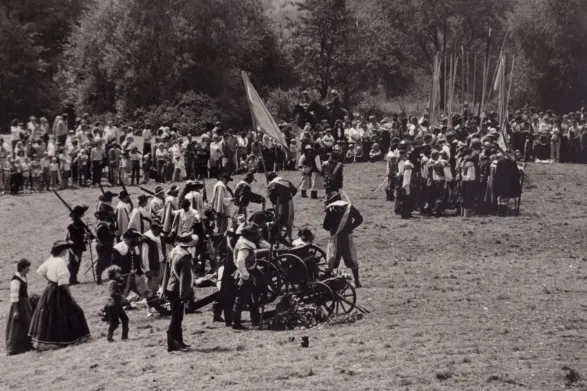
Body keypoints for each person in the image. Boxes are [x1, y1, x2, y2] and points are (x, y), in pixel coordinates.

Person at [29, 240, 91, 350]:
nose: (67, 251)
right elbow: (64, 281)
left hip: (50, 289)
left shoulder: (50, 260)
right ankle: (68, 339)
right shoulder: (60, 261)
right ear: (61, 251)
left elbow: (41, 271)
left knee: (49, 315)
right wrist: (69, 295)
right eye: (65, 250)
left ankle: (45, 341)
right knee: (71, 312)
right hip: (60, 291)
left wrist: (51, 281)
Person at [163, 232, 198, 351]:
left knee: (177, 316)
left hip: (170, 288)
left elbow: (166, 272)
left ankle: (179, 341)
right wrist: (185, 296)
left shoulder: (173, 251)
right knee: (177, 317)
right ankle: (172, 342)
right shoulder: (185, 257)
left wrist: (164, 289)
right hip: (178, 290)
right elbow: (185, 279)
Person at [232, 223, 270, 330]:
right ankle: (236, 323)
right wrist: (245, 275)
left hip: (251, 271)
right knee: (241, 298)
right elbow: (239, 261)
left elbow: (261, 242)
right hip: (245, 274)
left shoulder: (247, 241)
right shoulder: (244, 246)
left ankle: (255, 319)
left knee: (254, 296)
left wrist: (270, 247)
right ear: (250, 236)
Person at [322, 190, 363, 287]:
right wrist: (350, 227)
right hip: (347, 236)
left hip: (336, 237)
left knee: (332, 258)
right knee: (351, 258)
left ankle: (329, 282)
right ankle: (357, 281)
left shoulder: (331, 208)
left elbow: (326, 226)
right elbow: (359, 219)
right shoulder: (348, 206)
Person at [5, 259, 33, 355]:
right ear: (22, 268)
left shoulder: (23, 276)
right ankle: (15, 348)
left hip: (25, 303)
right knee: (17, 325)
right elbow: (14, 296)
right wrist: (16, 310)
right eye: (27, 267)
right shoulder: (15, 280)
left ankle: (27, 345)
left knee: (27, 322)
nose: (29, 269)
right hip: (19, 304)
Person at [267, 172, 297, 245]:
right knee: (289, 222)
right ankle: (290, 239)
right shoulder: (286, 180)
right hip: (290, 202)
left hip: (280, 203)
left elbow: (271, 197)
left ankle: (277, 242)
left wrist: (275, 203)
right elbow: (294, 191)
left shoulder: (272, 183)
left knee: (279, 222)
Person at [66, 205, 90, 285]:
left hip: (78, 245)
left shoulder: (79, 223)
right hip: (75, 246)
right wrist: (84, 236)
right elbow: (74, 237)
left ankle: (73, 279)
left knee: (76, 262)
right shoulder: (73, 225)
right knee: (73, 262)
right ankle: (71, 279)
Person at [104, 265, 129, 342]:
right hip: (113, 305)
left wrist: (123, 282)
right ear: (113, 274)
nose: (119, 274)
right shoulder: (113, 282)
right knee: (114, 324)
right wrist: (122, 298)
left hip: (116, 305)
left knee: (125, 319)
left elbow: (121, 289)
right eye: (117, 272)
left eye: (119, 272)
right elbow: (113, 293)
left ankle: (124, 337)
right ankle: (109, 338)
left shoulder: (112, 282)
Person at [95, 209, 116, 285]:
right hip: (104, 247)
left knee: (104, 262)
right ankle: (99, 278)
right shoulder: (102, 227)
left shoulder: (101, 225)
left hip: (103, 246)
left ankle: (99, 277)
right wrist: (112, 236)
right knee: (104, 262)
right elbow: (105, 238)